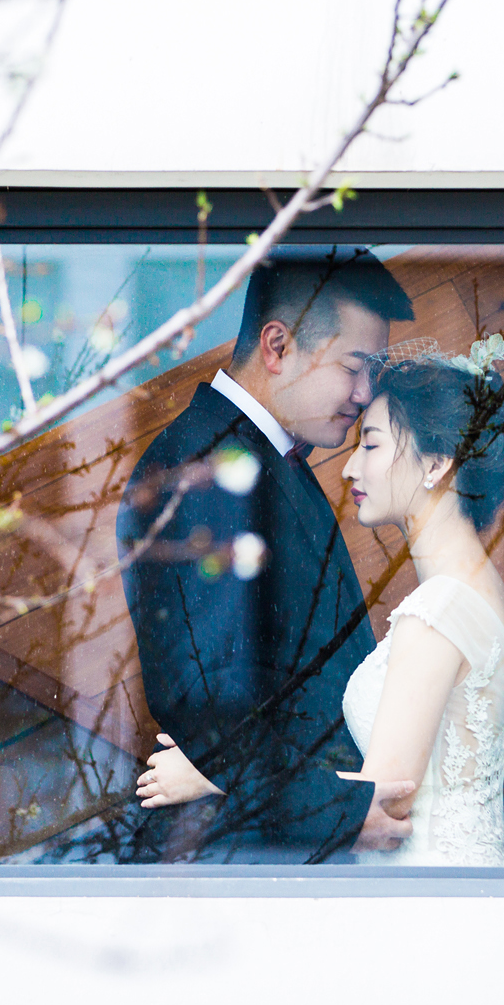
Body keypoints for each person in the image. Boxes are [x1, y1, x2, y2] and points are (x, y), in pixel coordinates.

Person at [120, 244, 418, 861]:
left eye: (375, 371)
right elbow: (214, 713)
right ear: (277, 346)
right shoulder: (205, 474)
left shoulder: (258, 460)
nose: (366, 393)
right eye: (355, 367)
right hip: (248, 869)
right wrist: (344, 815)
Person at [338, 336, 504, 864]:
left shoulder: (437, 612)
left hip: (429, 894)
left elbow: (381, 808)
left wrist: (225, 784)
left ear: (435, 464)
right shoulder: (481, 597)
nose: (349, 469)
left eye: (370, 445)